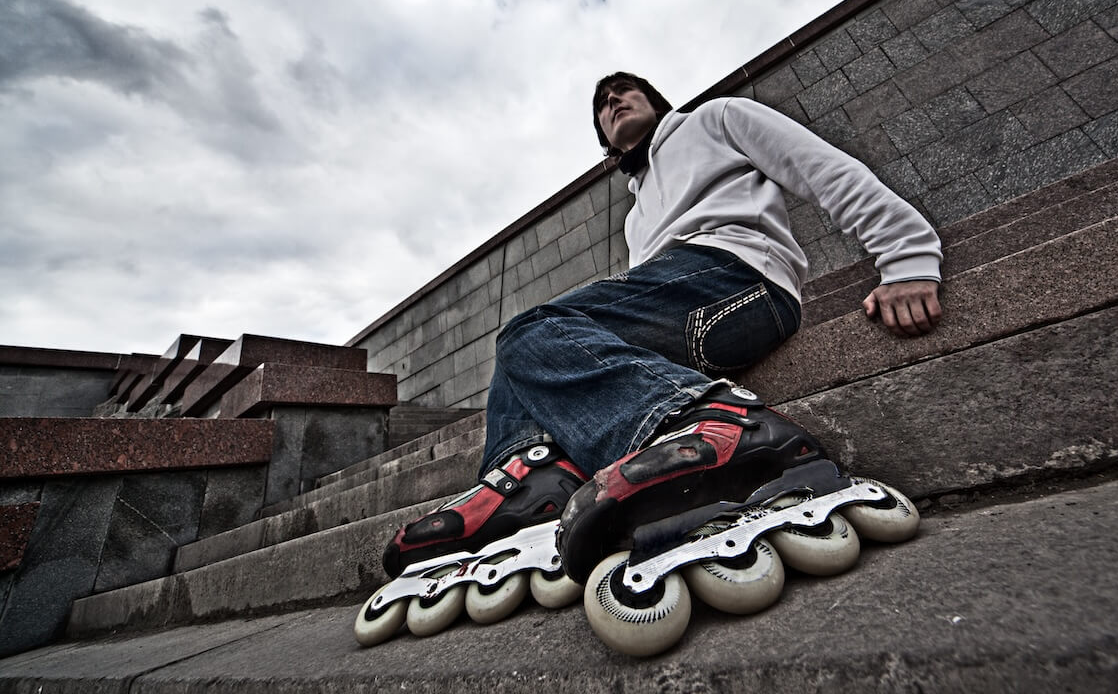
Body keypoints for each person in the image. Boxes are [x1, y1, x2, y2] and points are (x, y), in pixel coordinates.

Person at [366, 71, 942, 644]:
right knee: (529, 349)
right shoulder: (635, 216)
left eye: (624, 90)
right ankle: (534, 486)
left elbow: (821, 168)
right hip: (681, 308)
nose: (612, 100)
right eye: (601, 104)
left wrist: (906, 256)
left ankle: (723, 425)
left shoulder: (717, 119)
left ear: (656, 101)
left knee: (533, 330)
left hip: (741, 281)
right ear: (603, 138)